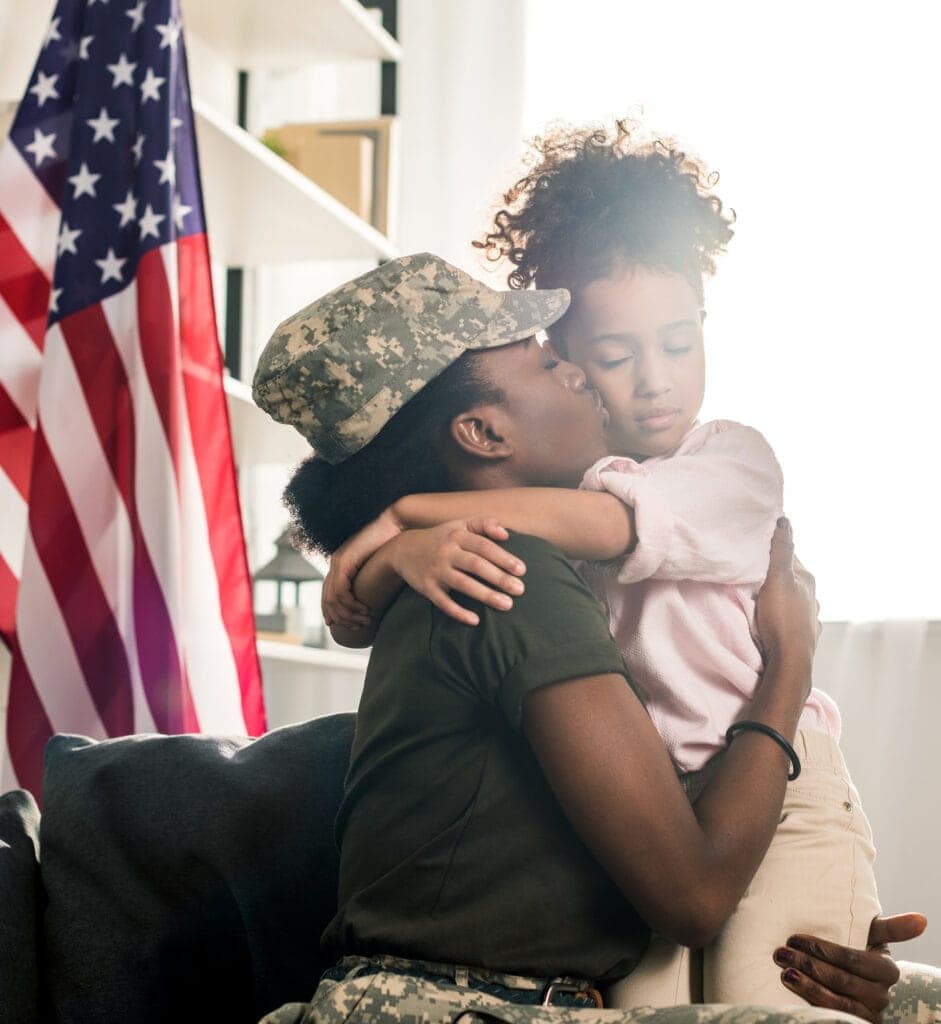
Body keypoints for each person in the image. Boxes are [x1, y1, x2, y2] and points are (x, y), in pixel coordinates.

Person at [251, 253, 926, 1024]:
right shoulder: (506, 575)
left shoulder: (483, 563)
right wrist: (791, 662)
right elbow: (694, 898)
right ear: (480, 431)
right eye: (550, 363)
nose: (578, 375)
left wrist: (395, 536)